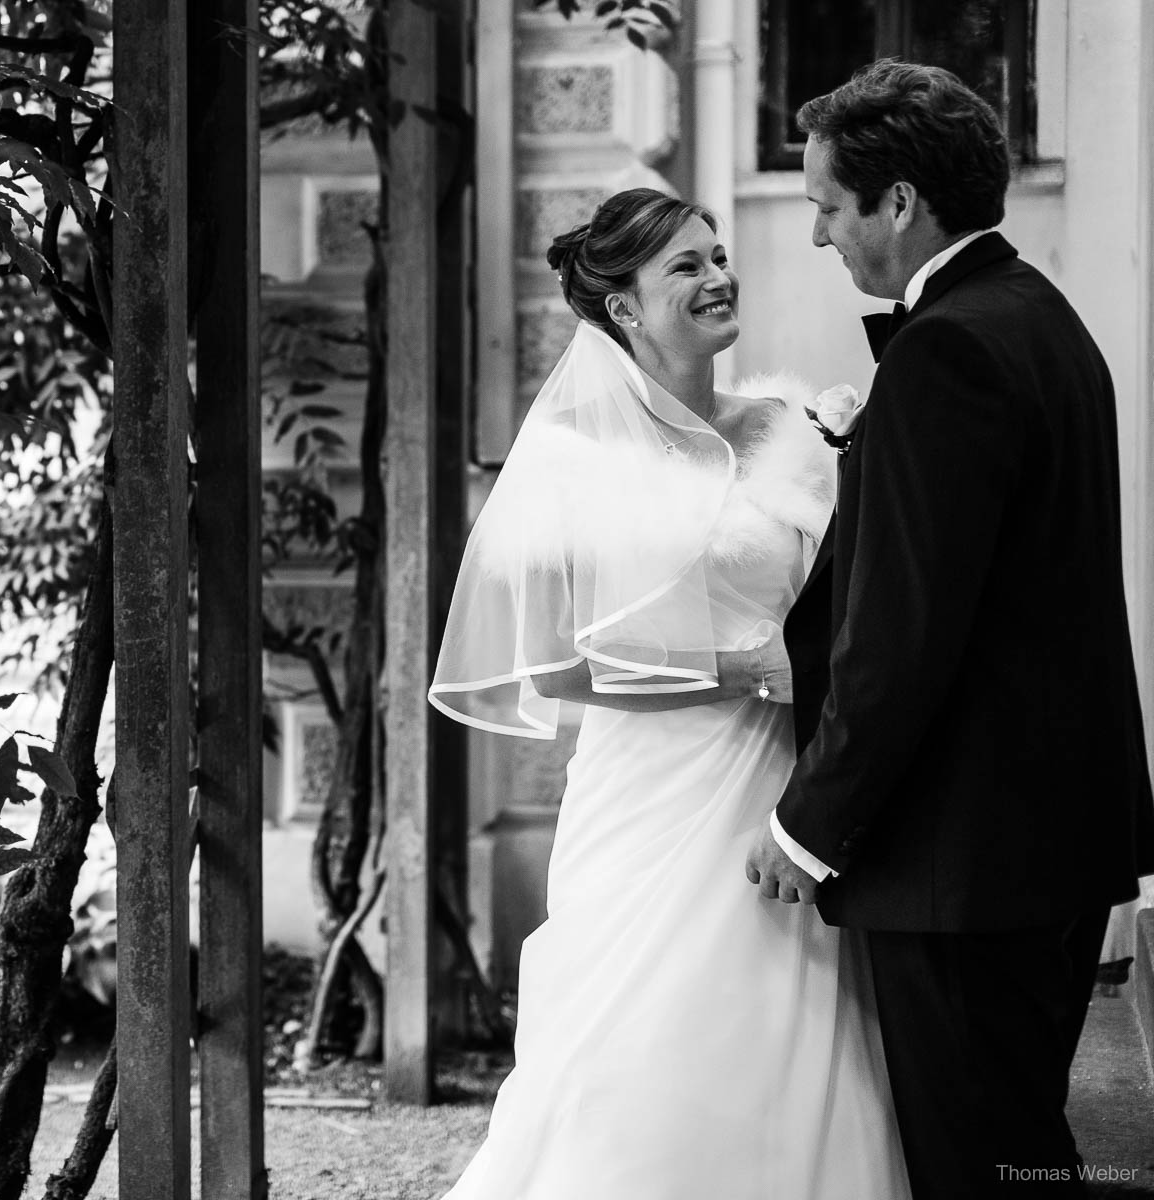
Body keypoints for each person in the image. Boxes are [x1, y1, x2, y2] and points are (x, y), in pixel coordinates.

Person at [429, 188, 911, 1198]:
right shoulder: (573, 461)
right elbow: (553, 669)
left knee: (798, 1030)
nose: (719, 276)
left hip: (793, 785)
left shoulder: (798, 424)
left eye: (719, 254)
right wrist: (740, 670)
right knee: (642, 1043)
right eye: (685, 267)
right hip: (653, 795)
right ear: (626, 311)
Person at [744, 60, 1154, 1198]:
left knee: (988, 1162)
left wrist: (807, 826)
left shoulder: (949, 350)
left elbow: (903, 630)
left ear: (900, 202)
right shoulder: (1039, 313)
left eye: (829, 204)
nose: (821, 232)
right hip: (1046, 836)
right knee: (1020, 1141)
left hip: (967, 857)